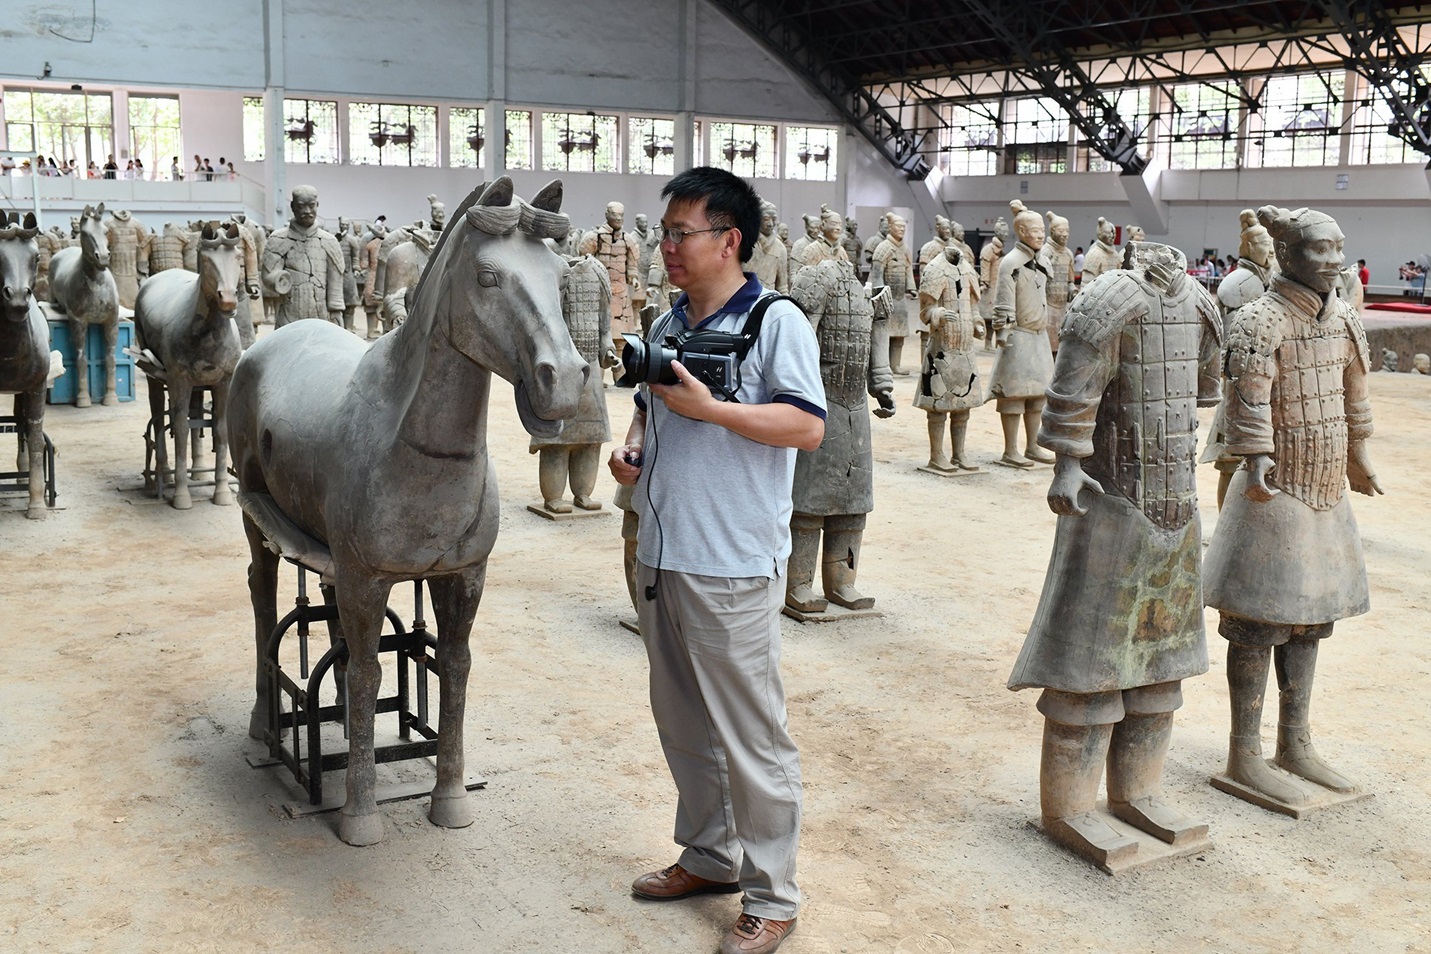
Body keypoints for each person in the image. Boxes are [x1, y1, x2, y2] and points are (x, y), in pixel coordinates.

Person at [608, 166, 824, 954]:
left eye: (679, 233)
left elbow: (805, 427)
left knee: (752, 738)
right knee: (684, 723)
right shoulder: (669, 320)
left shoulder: (775, 322)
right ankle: (708, 857)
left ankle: (773, 896)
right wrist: (632, 450)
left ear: (728, 240)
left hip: (731, 563)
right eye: (662, 232)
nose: (665, 246)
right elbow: (646, 410)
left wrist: (715, 410)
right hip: (663, 554)